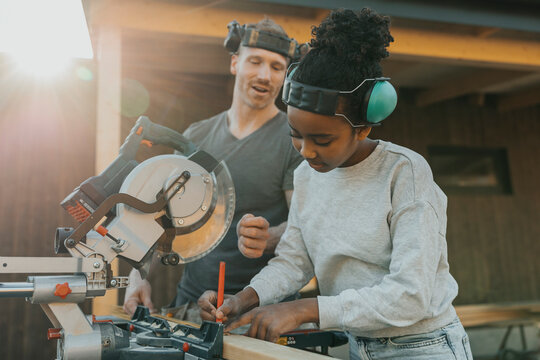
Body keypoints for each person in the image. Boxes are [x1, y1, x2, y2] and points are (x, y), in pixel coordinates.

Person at [199, 8, 473, 360]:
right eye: (295, 135)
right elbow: (293, 261)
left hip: (423, 347)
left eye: (323, 140)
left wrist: (305, 309)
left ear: (364, 127)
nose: (307, 151)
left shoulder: (404, 173)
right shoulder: (306, 175)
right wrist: (243, 298)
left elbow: (411, 295)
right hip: (359, 346)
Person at [123, 17, 304, 322]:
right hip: (192, 306)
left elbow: (303, 224)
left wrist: (270, 236)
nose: (264, 75)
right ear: (235, 63)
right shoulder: (197, 136)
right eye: (255, 61)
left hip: (261, 315)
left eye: (276, 67)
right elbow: (163, 214)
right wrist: (137, 275)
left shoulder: (295, 139)